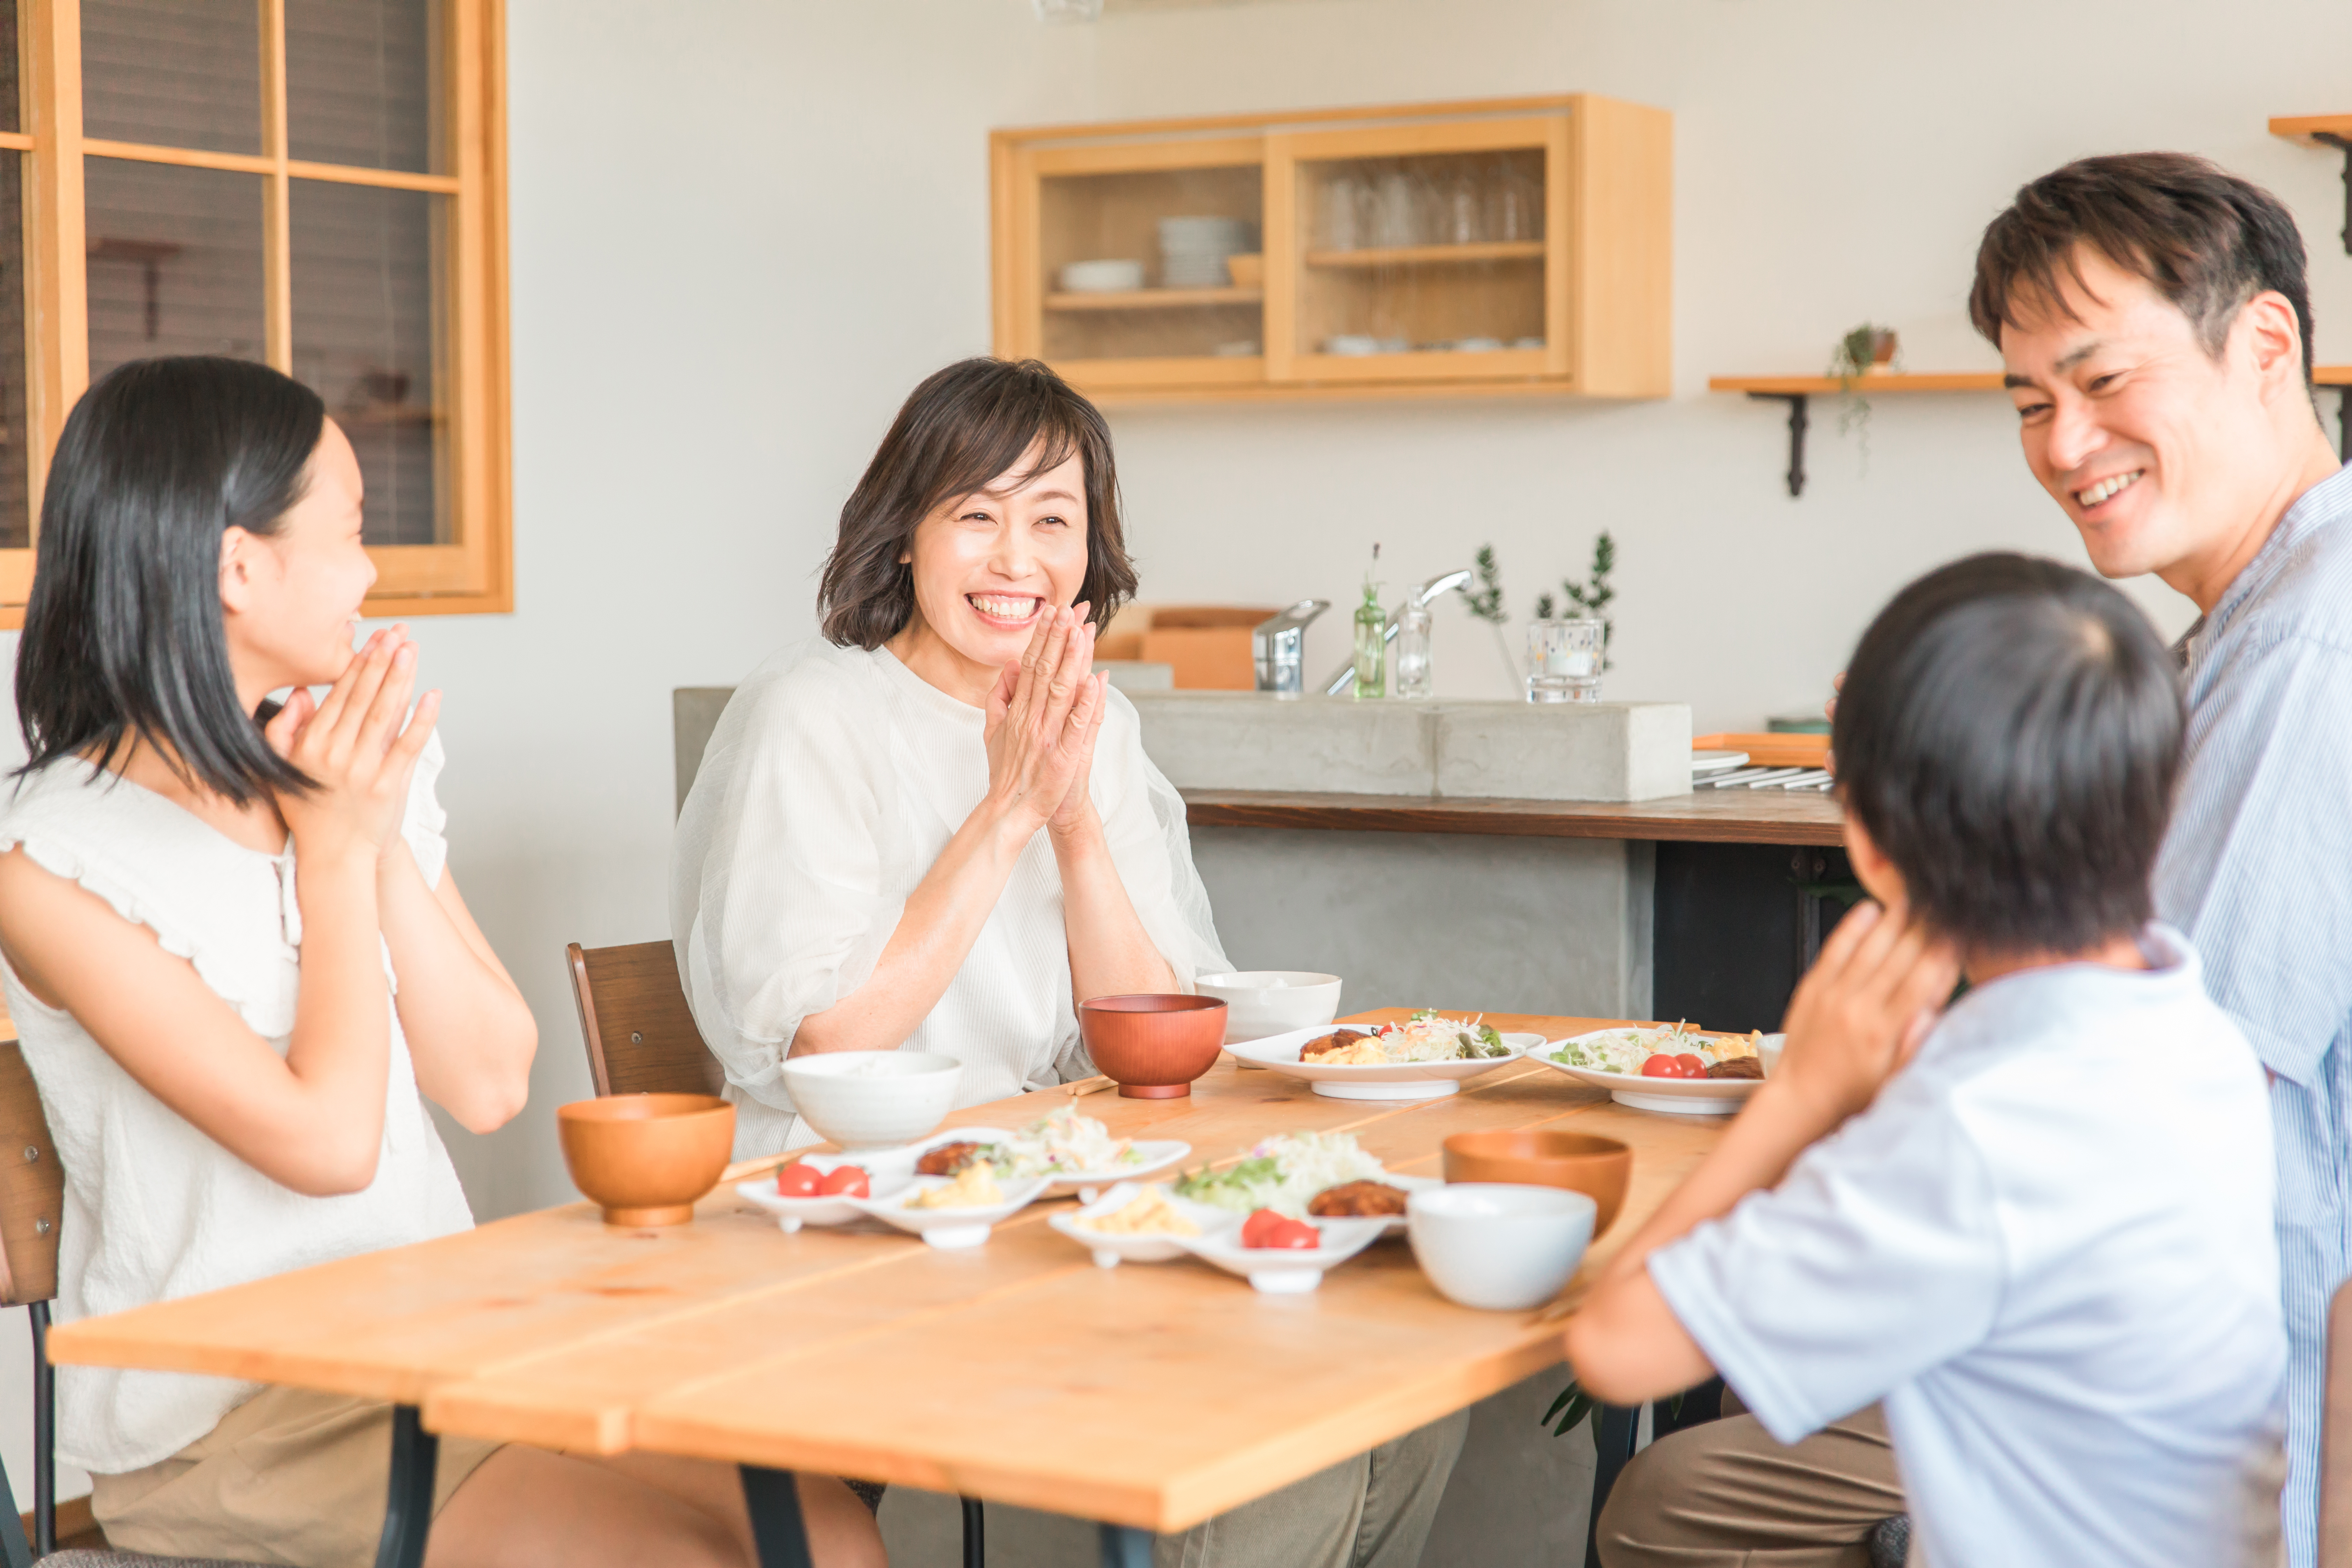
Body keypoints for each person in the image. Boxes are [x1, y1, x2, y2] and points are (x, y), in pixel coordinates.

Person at [0, 357, 884, 1568]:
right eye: (352, 534)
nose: (372, 574)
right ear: (236, 567)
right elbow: (328, 1146)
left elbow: (487, 1080)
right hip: (228, 1413)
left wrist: (367, 836)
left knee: (829, 1534)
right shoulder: (49, 866)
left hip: (438, 1344)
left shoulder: (340, 769)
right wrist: (334, 851)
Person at [1596, 152, 2347, 1568]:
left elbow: (2138, 1083)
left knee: (1679, 1475)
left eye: (2103, 380)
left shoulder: (2311, 647)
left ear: (2264, 347)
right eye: (2028, 401)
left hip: (2216, 1408)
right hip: (2163, 1357)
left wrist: (1834, 1084)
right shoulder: (2254, 613)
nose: (2065, 444)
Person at [671, 355, 1466, 1567]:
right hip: (857, 1207)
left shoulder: (1098, 722)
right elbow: (830, 1047)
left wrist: (1075, 814)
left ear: (1091, 555)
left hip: (1046, 1185)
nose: (1014, 560)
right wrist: (1006, 813)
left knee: (1405, 1371)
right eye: (975, 515)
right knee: (1259, 1401)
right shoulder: (815, 714)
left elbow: (1155, 1038)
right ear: (904, 537)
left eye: (1053, 521)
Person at [1567, 553, 2288, 1567]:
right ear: (2166, 803)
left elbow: (1615, 1349)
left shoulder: (1978, 1123)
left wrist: (1804, 1093)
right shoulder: (2189, 1030)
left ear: (1867, 840)